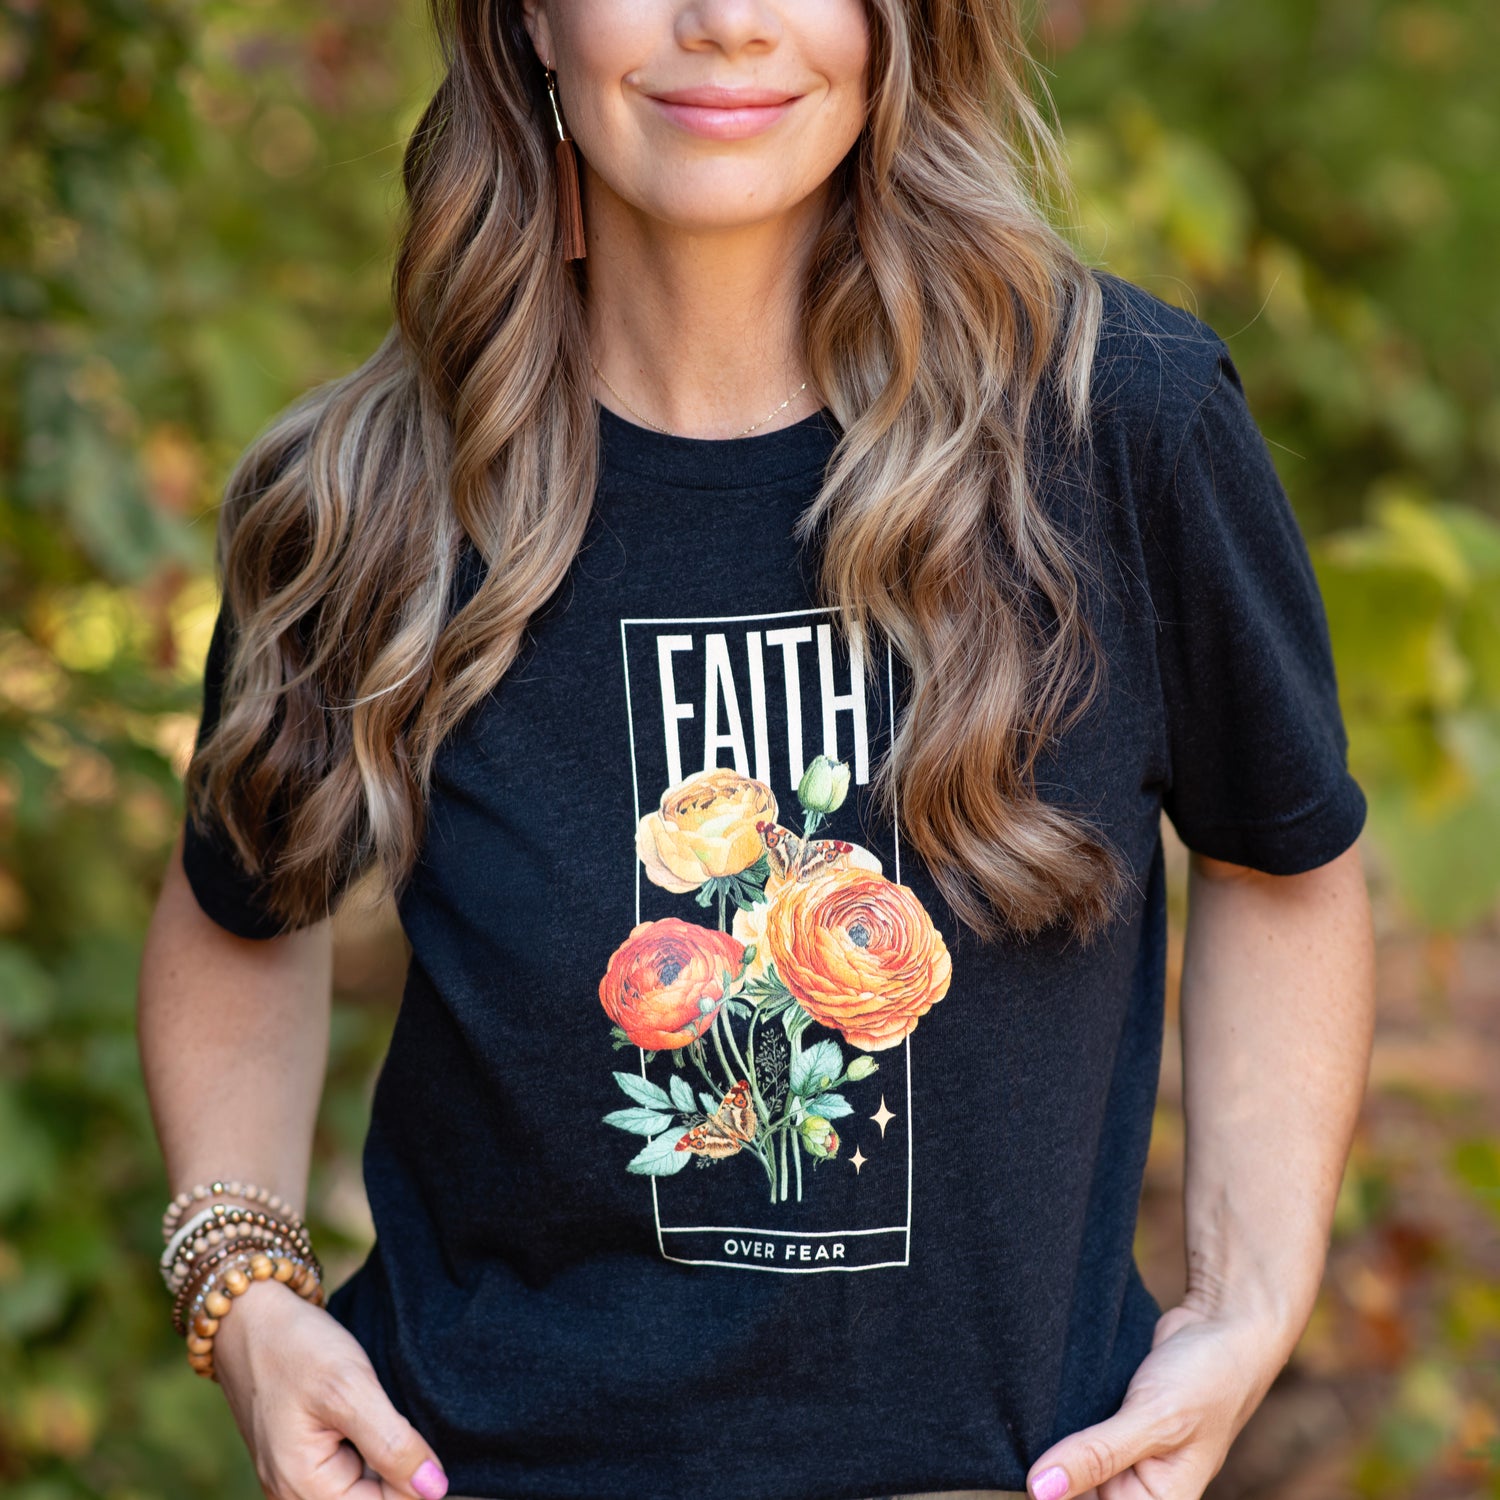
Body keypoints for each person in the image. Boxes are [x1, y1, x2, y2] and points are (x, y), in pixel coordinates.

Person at [136, 2, 1377, 1499]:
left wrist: (1247, 1302)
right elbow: (234, 916)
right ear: (530, 15)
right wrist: (246, 1288)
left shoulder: (1117, 430)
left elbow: (1286, 858)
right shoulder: (363, 501)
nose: (725, 21)